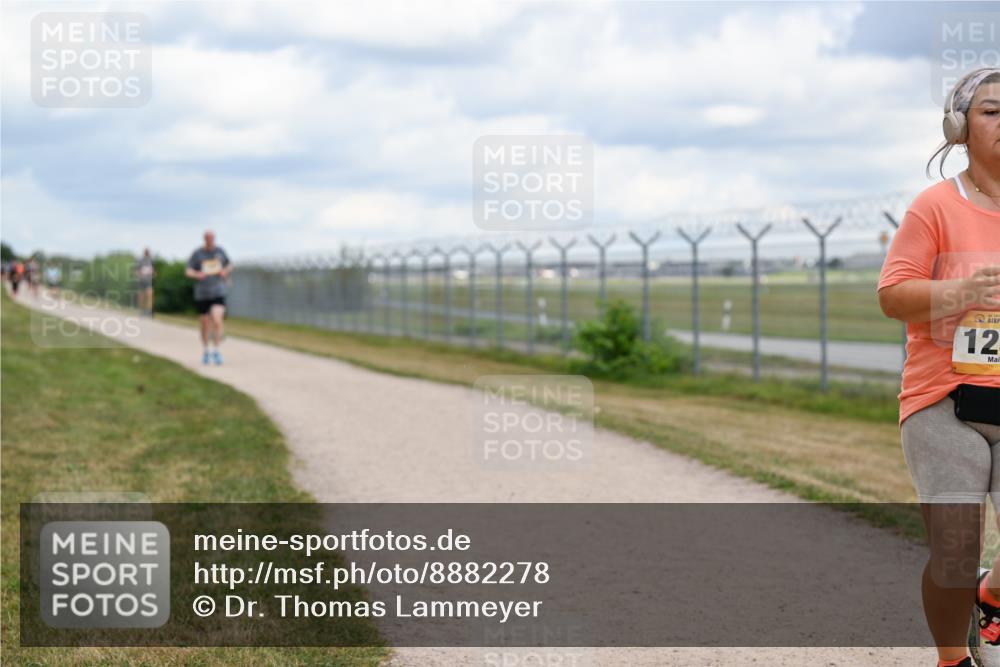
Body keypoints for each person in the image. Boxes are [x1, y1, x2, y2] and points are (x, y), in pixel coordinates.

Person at [878, 67, 1000, 667]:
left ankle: (991, 595)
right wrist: (962, 292)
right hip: (944, 401)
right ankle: (953, 658)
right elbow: (892, 295)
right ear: (959, 127)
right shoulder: (935, 207)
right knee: (955, 551)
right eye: (992, 111)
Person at [185, 231, 232, 365]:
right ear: (204, 239)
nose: (210, 240)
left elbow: (229, 265)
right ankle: (206, 350)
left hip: (218, 291)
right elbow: (188, 270)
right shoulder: (197, 253)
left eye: (212, 238)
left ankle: (216, 350)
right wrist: (197, 274)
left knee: (217, 320)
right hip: (202, 293)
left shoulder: (220, 251)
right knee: (204, 323)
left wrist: (225, 272)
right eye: (208, 238)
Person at [135, 248, 155, 317]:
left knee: (150, 296)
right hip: (142, 281)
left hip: (149, 281)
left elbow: (154, 270)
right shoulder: (140, 260)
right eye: (146, 252)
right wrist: (140, 275)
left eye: (148, 252)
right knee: (141, 297)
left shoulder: (151, 260)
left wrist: (153, 274)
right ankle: (141, 311)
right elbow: (136, 271)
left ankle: (149, 311)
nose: (147, 253)